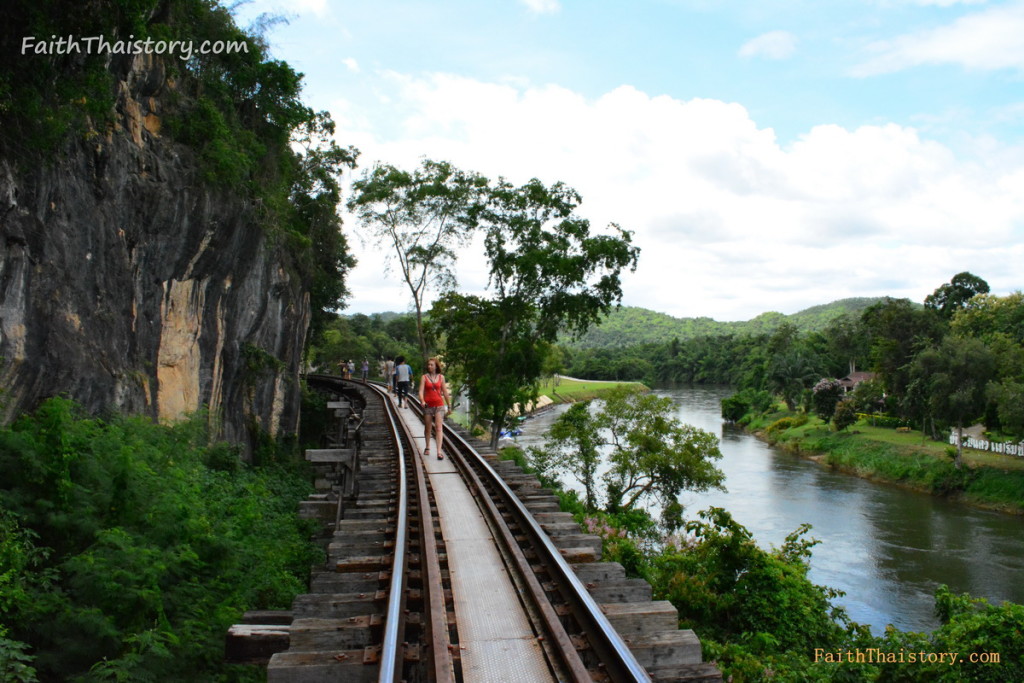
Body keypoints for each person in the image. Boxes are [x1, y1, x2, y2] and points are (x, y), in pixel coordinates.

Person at [418, 357, 451, 460]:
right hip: (428, 406)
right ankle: (427, 446)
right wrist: (422, 401)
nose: (429, 366)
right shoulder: (424, 377)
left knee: (438, 427)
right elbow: (420, 391)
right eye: (428, 365)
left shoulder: (441, 377)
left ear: (436, 366)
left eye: (431, 365)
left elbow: (445, 392)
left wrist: (449, 405)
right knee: (428, 428)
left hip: (439, 406)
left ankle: (439, 451)